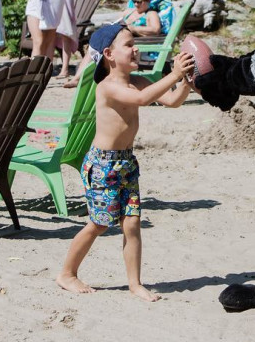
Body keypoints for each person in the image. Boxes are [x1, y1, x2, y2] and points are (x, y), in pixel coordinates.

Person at [55, 23, 194, 302]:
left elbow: (171, 101)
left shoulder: (137, 81)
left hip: (126, 163)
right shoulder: (106, 87)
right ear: (109, 53)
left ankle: (134, 284)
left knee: (132, 224)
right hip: (103, 166)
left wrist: (186, 83)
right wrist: (174, 73)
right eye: (129, 44)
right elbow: (142, 99)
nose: (136, 48)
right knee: (99, 224)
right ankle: (67, 274)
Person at [62, 0, 167, 89]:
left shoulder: (151, 14)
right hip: (119, 44)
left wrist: (133, 28)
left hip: (136, 47)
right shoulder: (129, 12)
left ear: (148, 0)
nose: (136, 4)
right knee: (94, 47)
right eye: (134, 1)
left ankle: (89, 79)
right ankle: (78, 78)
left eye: (139, 2)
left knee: (101, 48)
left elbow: (155, 29)